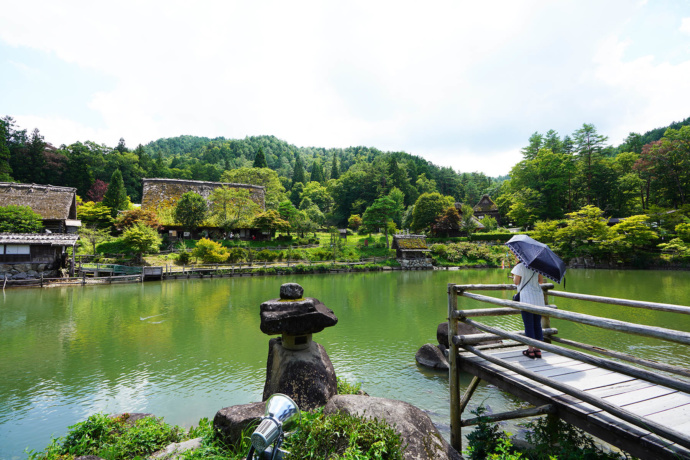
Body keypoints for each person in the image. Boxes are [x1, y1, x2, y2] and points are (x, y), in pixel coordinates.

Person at [511, 254, 545, 359]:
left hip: (526, 298)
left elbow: (516, 282)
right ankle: (538, 349)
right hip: (538, 298)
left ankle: (530, 350)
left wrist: (514, 277)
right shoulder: (537, 266)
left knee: (529, 324)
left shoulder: (520, 266)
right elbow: (540, 281)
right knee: (537, 324)